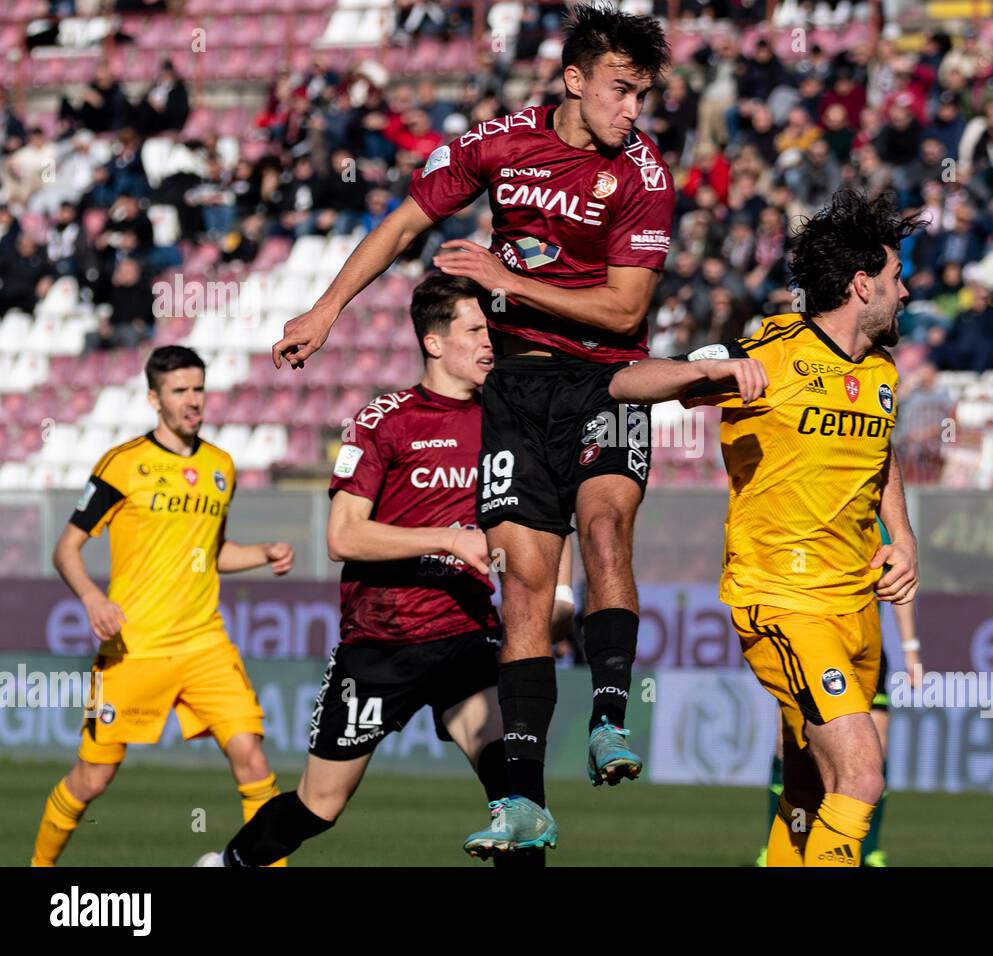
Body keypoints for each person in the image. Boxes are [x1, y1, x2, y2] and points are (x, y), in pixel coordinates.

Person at [269, 3, 674, 857]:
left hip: (604, 378)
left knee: (603, 530)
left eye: (642, 94)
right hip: (518, 391)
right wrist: (328, 308)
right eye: (620, 90)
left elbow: (625, 306)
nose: (633, 110)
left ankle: (610, 718)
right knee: (526, 586)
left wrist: (506, 283)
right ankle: (523, 801)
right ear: (573, 80)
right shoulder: (499, 144)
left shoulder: (644, 173)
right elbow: (409, 219)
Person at [610, 186, 921, 866]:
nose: (908, 291)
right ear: (863, 284)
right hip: (784, 599)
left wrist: (903, 539)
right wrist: (713, 369)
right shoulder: (771, 353)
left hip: (855, 606)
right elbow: (626, 382)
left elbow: (881, 452)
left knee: (809, 789)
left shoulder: (882, 371)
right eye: (898, 278)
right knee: (863, 774)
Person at [197, 275, 544, 866]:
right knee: (318, 807)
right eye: (475, 331)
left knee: (517, 800)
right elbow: (342, 536)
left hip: (464, 634)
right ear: (435, 343)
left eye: (491, 330)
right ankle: (229, 863)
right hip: (381, 642)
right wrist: (447, 540)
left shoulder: (503, 421)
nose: (491, 342)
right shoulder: (386, 419)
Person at [32, 346, 295, 867]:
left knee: (252, 759)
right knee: (92, 778)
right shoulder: (123, 465)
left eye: (198, 388)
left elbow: (213, 551)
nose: (193, 401)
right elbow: (66, 548)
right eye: (180, 391)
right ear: (154, 398)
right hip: (136, 647)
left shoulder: (221, 466)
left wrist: (262, 552)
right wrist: (91, 597)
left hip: (205, 644)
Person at [756, 521, 924, 868]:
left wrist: (911, 650)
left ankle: (868, 847)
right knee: (791, 750)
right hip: (810, 643)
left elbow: (899, 581)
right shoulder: (812, 511)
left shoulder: (877, 521)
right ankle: (783, 845)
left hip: (865, 652)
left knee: (872, 757)